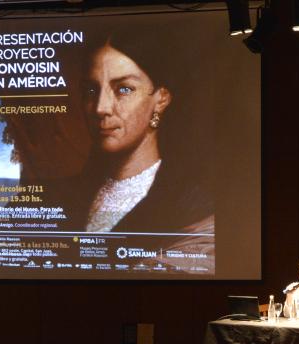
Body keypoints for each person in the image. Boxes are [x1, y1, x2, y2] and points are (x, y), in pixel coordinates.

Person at [68, 30, 213, 236]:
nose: (101, 107)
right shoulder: (69, 195)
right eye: (91, 90)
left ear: (161, 99)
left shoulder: (192, 203)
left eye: (124, 89)